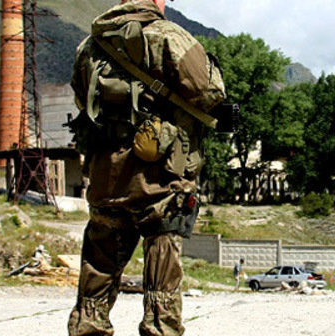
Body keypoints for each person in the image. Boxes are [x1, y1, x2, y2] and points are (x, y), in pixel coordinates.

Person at [67, 0, 225, 335]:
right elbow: (210, 92)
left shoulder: (90, 44)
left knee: (99, 266)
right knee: (162, 274)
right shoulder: (169, 36)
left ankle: (88, 328)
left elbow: (82, 100)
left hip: (105, 175)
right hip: (161, 177)